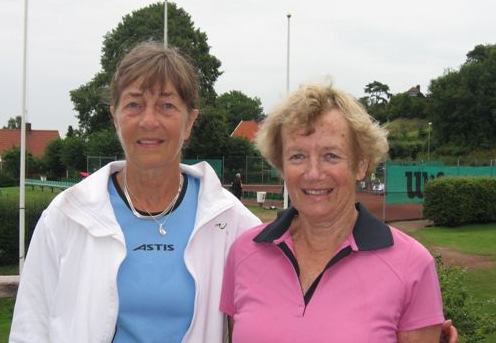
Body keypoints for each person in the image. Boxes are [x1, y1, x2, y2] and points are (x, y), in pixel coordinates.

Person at [9, 41, 261, 342]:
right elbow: (30, 328)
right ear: (114, 116)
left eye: (167, 105)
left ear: (190, 121)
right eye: (134, 105)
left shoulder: (232, 223)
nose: (149, 120)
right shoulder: (66, 216)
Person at [220, 81, 457, 342]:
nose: (313, 173)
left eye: (331, 155)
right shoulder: (243, 253)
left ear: (361, 165)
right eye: (297, 156)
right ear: (281, 166)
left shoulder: (412, 265)